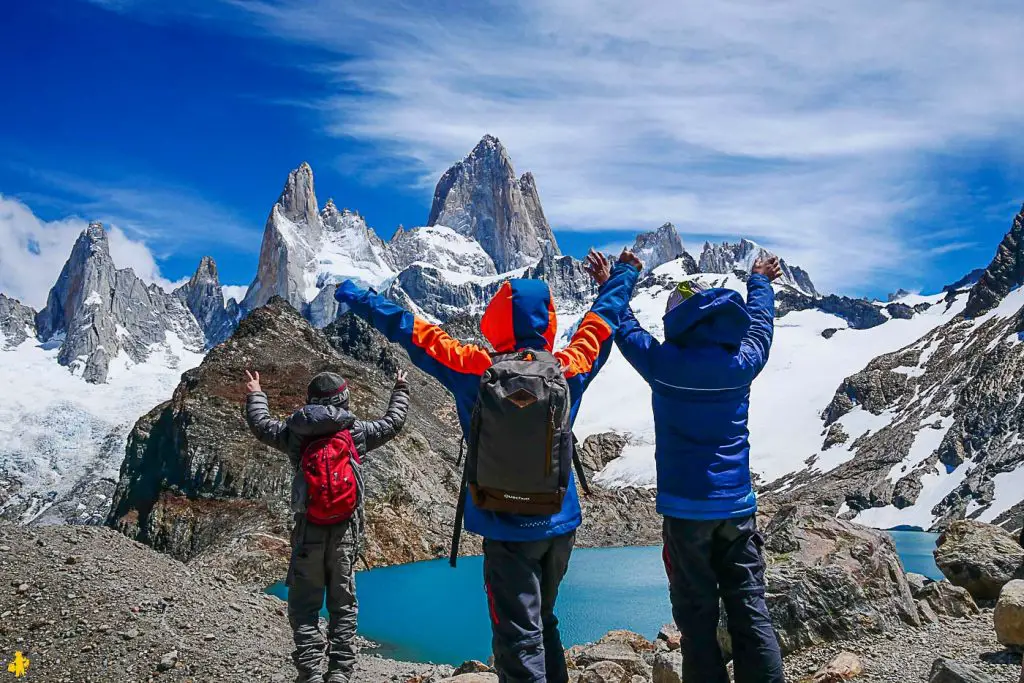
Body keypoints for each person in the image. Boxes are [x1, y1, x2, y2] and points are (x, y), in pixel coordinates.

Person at [334, 249, 641, 683]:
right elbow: (603, 318)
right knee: (545, 619)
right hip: (558, 522)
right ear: (549, 321)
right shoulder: (569, 365)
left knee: (518, 638)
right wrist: (624, 272)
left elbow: (410, 330)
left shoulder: (474, 367)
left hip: (502, 526)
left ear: (495, 320)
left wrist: (357, 295)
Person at [614, 256, 786, 683]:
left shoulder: (663, 365)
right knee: (750, 608)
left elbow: (624, 327)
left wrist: (617, 278)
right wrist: (760, 281)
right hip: (737, 509)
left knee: (696, 620)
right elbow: (762, 323)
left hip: (686, 512)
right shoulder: (742, 362)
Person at [244, 368, 410, 683]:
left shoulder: (294, 433)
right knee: (343, 607)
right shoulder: (356, 431)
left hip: (308, 533)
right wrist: (400, 387)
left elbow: (261, 425)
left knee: (305, 609)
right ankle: (340, 676)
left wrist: (256, 393)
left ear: (311, 401)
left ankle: (310, 676)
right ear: (344, 399)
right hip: (346, 534)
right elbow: (393, 422)